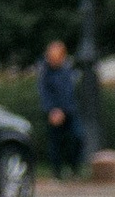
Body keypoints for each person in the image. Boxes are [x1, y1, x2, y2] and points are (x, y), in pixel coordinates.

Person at [36, 39, 86, 176]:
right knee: (55, 142)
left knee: (77, 137)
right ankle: (56, 171)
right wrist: (52, 110)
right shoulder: (45, 72)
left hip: (70, 110)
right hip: (54, 112)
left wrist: (66, 109)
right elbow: (44, 93)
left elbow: (71, 91)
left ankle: (74, 168)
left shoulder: (68, 69)